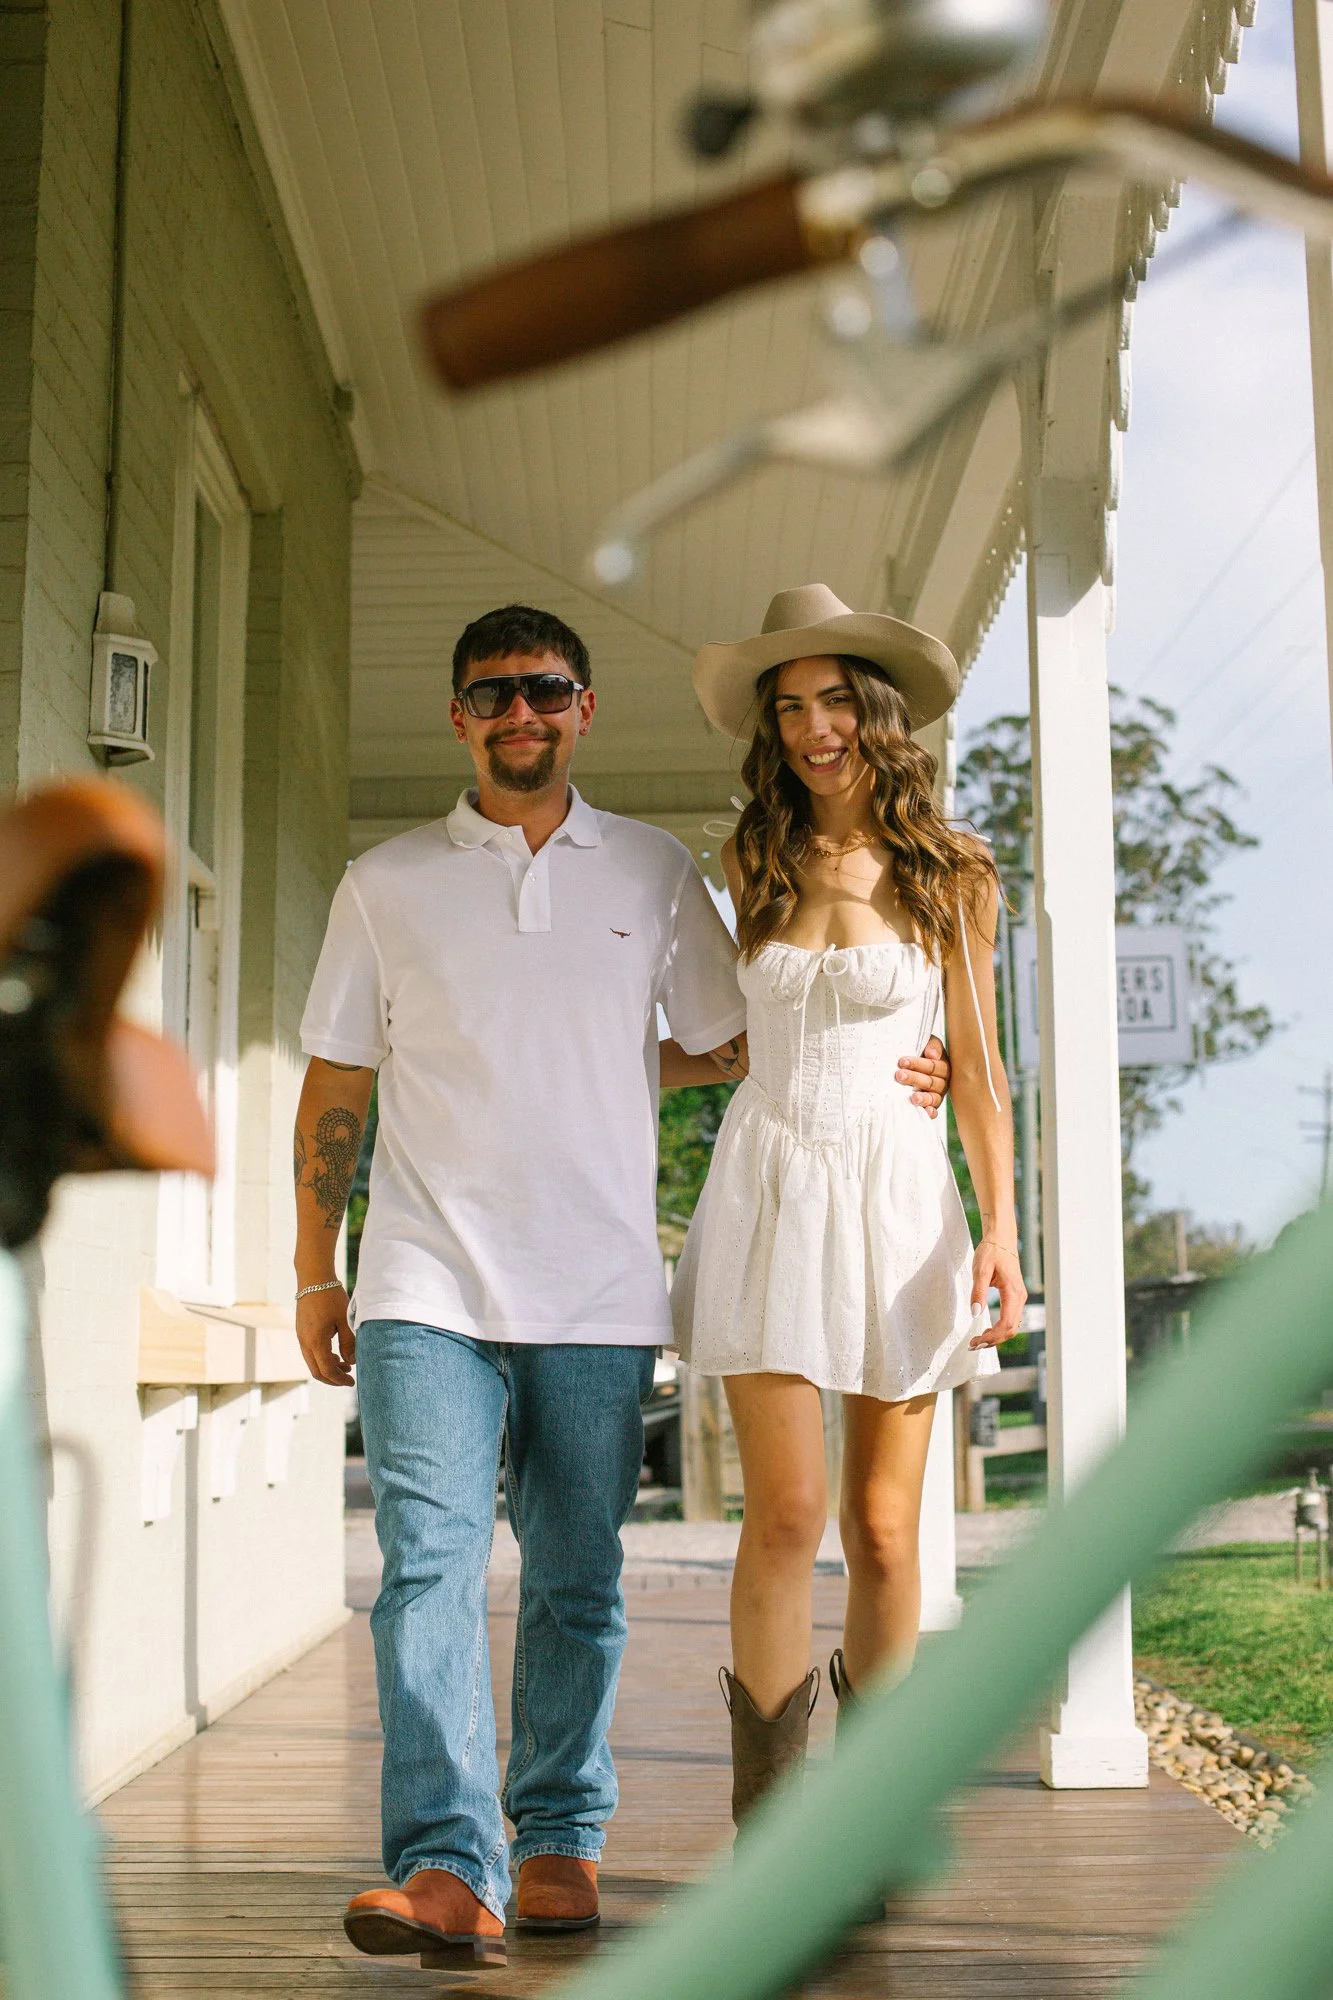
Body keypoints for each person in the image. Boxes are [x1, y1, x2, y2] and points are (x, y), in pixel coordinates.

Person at [291, 600, 956, 1968]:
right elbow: (337, 1082)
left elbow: (736, 1036)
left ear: (583, 708)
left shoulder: (656, 873)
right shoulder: (386, 881)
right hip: (423, 1277)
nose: (518, 713)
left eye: (544, 689)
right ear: (458, 715)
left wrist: (913, 1060)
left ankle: (555, 1843)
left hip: (598, 1285)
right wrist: (314, 1267)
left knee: (580, 1581)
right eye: (491, 693)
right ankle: (441, 1866)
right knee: (425, 1568)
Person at [670, 584, 1027, 1822]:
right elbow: (726, 1036)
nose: (812, 727)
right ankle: (769, 1837)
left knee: (882, 1528)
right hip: (766, 1183)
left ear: (873, 711)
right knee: (784, 1510)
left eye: (831, 700)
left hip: (895, 1194)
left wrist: (1003, 1228)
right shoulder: (751, 858)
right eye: (787, 708)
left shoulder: (953, 870)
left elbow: (976, 1067)